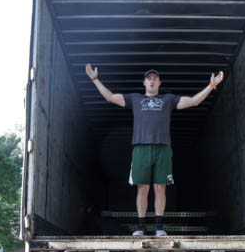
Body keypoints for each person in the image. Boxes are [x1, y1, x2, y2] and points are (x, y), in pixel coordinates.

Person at [85, 63, 224, 236]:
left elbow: (194, 101)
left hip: (162, 148)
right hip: (141, 148)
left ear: (159, 83)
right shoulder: (135, 99)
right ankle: (141, 228)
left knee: (160, 188)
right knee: (142, 188)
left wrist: (211, 85)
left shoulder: (168, 99)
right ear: (144, 83)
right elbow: (111, 97)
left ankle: (159, 227)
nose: (151, 81)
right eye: (148, 79)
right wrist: (95, 79)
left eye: (155, 79)